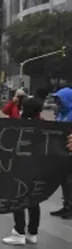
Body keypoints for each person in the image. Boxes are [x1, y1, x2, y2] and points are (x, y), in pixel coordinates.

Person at [4, 95, 44, 246]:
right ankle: (32, 233)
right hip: (38, 169)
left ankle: (19, 232)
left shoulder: (19, 126)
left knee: (18, 199)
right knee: (34, 200)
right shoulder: (44, 126)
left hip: (20, 168)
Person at [52, 85, 72, 218]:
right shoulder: (61, 113)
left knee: (70, 181)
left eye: (59, 100)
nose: (57, 103)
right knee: (64, 181)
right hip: (62, 151)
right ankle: (66, 205)